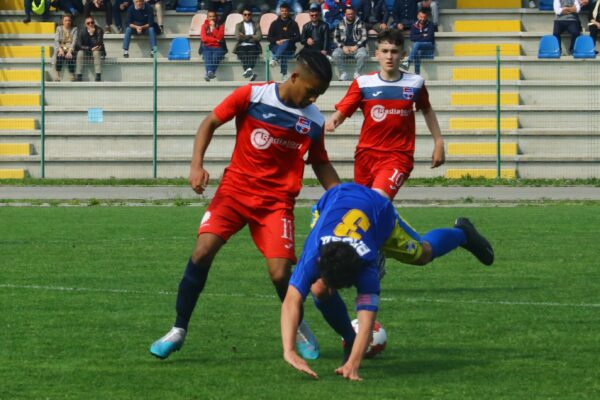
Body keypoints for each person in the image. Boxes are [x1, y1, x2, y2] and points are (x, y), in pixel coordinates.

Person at [149, 49, 341, 362]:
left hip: (276, 203)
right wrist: (196, 165)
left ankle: (300, 326)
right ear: (294, 77)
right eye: (310, 91)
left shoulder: (314, 122)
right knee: (201, 252)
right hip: (235, 192)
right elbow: (209, 122)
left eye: (319, 94)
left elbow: (320, 163)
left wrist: (343, 195)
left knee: (281, 274)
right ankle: (178, 329)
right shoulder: (253, 96)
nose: (313, 99)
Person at [281, 182, 494, 381]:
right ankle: (349, 340)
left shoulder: (366, 267)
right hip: (334, 200)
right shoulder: (313, 254)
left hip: (378, 212)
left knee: (422, 254)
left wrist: (354, 364)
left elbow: (366, 321)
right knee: (318, 289)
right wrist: (289, 350)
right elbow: (291, 300)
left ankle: (462, 233)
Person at [326, 29, 444, 200]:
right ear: (377, 54)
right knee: (362, 209)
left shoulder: (415, 83)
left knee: (377, 200)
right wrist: (334, 120)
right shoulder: (363, 83)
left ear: (403, 54)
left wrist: (438, 141)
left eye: (394, 52)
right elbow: (344, 110)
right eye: (385, 51)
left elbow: (426, 109)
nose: (389, 57)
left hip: (398, 156)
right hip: (365, 156)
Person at [331, 7, 368, 80]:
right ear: (345, 14)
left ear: (354, 14)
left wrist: (356, 46)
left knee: (363, 54)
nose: (350, 15)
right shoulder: (339, 24)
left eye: (352, 14)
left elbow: (364, 37)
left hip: (357, 47)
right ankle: (344, 73)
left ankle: (357, 73)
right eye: (348, 14)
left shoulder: (361, 23)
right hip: (344, 47)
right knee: (335, 54)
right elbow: (335, 38)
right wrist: (342, 47)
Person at [268, 3, 301, 81]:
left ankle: (275, 59)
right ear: (280, 11)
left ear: (288, 11)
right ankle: (284, 74)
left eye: (286, 11)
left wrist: (288, 41)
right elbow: (269, 37)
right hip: (276, 47)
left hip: (289, 48)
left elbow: (298, 37)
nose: (284, 12)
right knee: (283, 53)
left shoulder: (293, 23)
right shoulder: (274, 23)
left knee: (285, 47)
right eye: (282, 11)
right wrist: (277, 41)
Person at [234, 6, 262, 81]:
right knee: (243, 54)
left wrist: (245, 37)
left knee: (252, 54)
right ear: (242, 15)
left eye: (249, 14)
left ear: (251, 15)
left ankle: (249, 71)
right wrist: (252, 36)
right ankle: (250, 72)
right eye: (245, 14)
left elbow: (259, 37)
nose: (247, 16)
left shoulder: (256, 24)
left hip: (254, 45)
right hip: (241, 45)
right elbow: (238, 38)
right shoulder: (238, 25)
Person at [75, 16, 105, 81]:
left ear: (94, 23)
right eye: (88, 23)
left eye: (92, 22)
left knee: (96, 52)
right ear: (85, 24)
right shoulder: (82, 31)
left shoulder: (99, 30)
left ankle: (98, 75)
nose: (90, 24)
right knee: (80, 53)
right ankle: (79, 75)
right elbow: (79, 45)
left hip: (97, 50)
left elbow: (99, 43)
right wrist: (89, 48)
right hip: (87, 50)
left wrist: (92, 35)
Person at [200, 10, 225, 81]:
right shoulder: (204, 26)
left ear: (216, 17)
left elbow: (220, 37)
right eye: (210, 16)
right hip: (206, 46)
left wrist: (213, 28)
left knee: (217, 57)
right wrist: (215, 40)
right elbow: (204, 39)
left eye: (213, 16)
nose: (212, 18)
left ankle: (209, 73)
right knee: (207, 57)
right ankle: (210, 72)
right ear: (207, 18)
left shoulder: (220, 26)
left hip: (218, 47)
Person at [53, 14, 78, 82]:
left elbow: (74, 41)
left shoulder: (74, 29)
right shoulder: (59, 28)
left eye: (69, 20)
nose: (68, 22)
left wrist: (70, 51)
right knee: (60, 56)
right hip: (61, 47)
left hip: (70, 47)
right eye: (66, 20)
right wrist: (60, 50)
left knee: (70, 57)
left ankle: (72, 74)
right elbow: (56, 40)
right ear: (63, 21)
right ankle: (57, 74)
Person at [408, 9, 434, 74]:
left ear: (427, 17)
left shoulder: (430, 24)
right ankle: (417, 74)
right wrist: (422, 35)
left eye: (424, 17)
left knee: (416, 44)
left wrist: (417, 37)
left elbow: (429, 38)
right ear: (417, 16)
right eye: (421, 17)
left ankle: (408, 62)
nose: (422, 19)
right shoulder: (414, 25)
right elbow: (411, 38)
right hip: (419, 50)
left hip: (429, 47)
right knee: (417, 52)